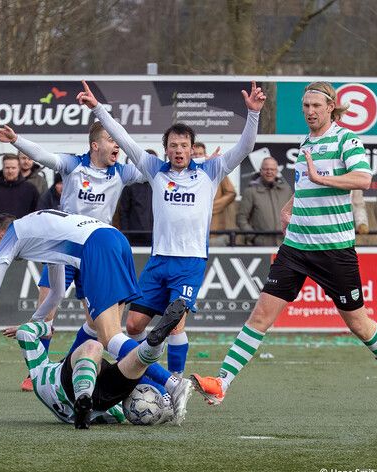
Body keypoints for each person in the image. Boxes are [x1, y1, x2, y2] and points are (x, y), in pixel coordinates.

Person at [191, 81, 377, 412]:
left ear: (331, 107)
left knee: (358, 323)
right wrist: (289, 205)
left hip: (334, 249)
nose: (309, 111)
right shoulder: (306, 141)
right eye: (305, 106)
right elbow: (307, 183)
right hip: (296, 247)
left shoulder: (345, 140)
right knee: (260, 315)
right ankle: (222, 383)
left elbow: (363, 179)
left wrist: (323, 179)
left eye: (315, 106)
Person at [76, 80, 266, 379]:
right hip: (158, 261)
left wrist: (253, 113)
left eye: (184, 145)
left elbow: (245, 147)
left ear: (193, 149)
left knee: (175, 321)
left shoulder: (210, 171)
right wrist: (98, 109)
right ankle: (145, 374)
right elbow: (123, 138)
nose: (179, 150)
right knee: (134, 326)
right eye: (174, 145)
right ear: (166, 149)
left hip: (189, 262)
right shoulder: (155, 170)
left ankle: (176, 384)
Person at [0, 212, 193, 425]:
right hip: (114, 236)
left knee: (108, 337)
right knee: (104, 329)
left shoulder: (11, 237)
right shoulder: (39, 230)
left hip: (95, 247)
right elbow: (56, 292)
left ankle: (172, 384)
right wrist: (37, 322)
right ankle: (164, 386)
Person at [0, 120, 147, 392]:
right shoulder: (75, 164)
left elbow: (153, 170)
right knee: (48, 308)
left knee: (95, 323)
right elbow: (43, 156)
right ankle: (37, 370)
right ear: (95, 145)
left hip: (96, 252)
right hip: (64, 246)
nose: (117, 143)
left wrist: (199, 162)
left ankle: (68, 365)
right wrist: (16, 140)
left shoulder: (122, 172)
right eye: (111, 139)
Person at [3, 298, 186, 429]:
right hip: (93, 399)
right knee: (101, 349)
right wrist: (47, 329)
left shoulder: (39, 373)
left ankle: (85, 398)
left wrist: (45, 329)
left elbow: (25, 332)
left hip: (88, 403)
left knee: (125, 361)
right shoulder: (41, 370)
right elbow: (26, 332)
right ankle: (153, 345)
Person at [236, 156, 293, 246]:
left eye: (272, 169)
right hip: (261, 246)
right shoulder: (251, 191)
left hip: (285, 244)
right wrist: (253, 237)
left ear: (277, 171)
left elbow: (294, 215)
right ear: (260, 171)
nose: (269, 172)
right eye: (266, 169)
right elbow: (241, 218)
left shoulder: (286, 191)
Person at [194, 142, 237, 246]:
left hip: (215, 232)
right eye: (194, 154)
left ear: (205, 155)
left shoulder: (215, 170)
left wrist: (210, 207)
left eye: (200, 154)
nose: (197, 156)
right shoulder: (183, 174)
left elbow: (231, 193)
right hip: (192, 234)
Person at [0, 154, 39, 227]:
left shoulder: (30, 189)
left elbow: (38, 212)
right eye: (7, 168)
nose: (10, 171)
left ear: (19, 168)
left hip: (24, 234)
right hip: (0, 235)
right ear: (3, 169)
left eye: (13, 168)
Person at [118, 149, 155, 246]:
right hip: (133, 238)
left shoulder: (162, 186)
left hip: (157, 239)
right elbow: (123, 213)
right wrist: (125, 237)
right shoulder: (130, 186)